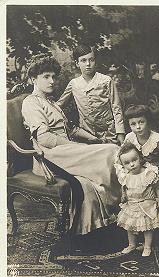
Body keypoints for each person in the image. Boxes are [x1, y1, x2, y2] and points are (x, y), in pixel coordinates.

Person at [21, 54, 122, 236]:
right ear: (33, 78)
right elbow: (44, 139)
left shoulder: (51, 102)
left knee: (90, 182)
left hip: (64, 151)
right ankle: (125, 203)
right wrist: (77, 147)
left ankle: (96, 228)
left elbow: (71, 128)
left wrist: (94, 140)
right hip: (48, 157)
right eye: (46, 77)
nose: (52, 81)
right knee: (113, 151)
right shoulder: (31, 102)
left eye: (53, 76)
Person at [122, 105, 159, 255]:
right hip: (140, 180)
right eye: (133, 124)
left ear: (148, 122)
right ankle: (142, 241)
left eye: (141, 122)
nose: (138, 127)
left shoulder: (158, 140)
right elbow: (122, 156)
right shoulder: (129, 138)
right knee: (141, 209)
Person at [57, 44, 125, 145]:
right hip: (87, 135)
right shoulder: (74, 84)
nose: (88, 64)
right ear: (77, 63)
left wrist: (120, 133)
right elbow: (58, 105)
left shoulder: (106, 80)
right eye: (83, 60)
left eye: (91, 60)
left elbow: (116, 107)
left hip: (109, 133)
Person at [114, 142, 159, 257]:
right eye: (127, 163)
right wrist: (123, 195)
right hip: (132, 203)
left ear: (140, 158)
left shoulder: (148, 172)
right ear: (123, 165)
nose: (132, 164)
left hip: (146, 203)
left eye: (134, 160)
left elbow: (157, 185)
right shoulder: (125, 175)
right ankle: (132, 244)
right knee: (130, 226)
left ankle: (147, 246)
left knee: (147, 227)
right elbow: (124, 186)